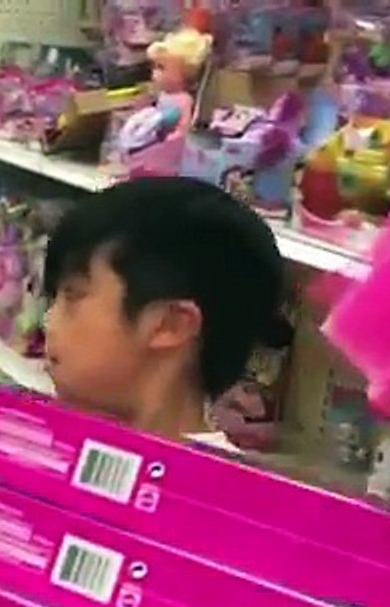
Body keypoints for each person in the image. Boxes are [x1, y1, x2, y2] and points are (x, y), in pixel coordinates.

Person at [41, 176, 285, 446]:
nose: (48, 322)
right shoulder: (49, 446)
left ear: (171, 324)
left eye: (74, 295)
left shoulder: (206, 475)